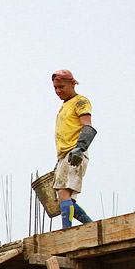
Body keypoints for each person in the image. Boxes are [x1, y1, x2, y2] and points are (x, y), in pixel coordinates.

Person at [51, 70, 96, 228]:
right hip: (64, 156)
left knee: (64, 194)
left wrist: (80, 148)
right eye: (55, 88)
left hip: (75, 152)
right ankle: (91, 226)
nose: (58, 91)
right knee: (63, 199)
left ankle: (66, 231)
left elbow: (87, 126)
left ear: (72, 84)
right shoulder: (64, 106)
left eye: (61, 86)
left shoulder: (80, 101)